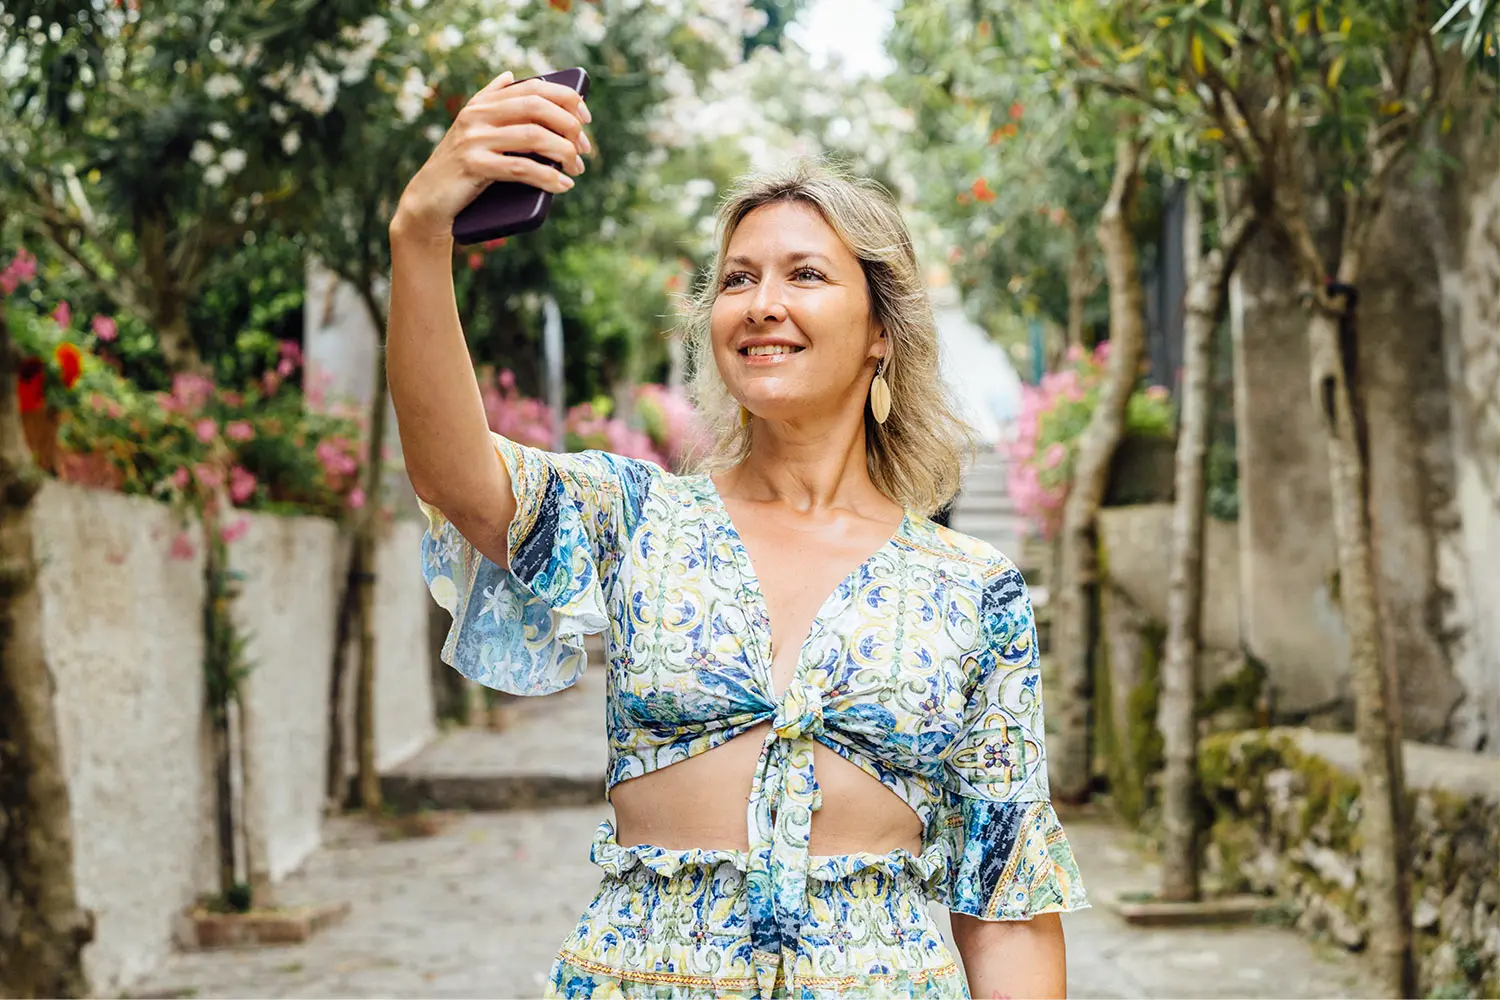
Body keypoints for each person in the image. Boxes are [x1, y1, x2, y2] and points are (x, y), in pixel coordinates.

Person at [390, 70, 1088, 1000]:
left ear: (881, 330)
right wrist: (420, 233)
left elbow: (1007, 903)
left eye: (806, 275)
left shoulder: (972, 587)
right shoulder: (635, 518)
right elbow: (457, 477)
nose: (762, 302)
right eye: (737, 279)